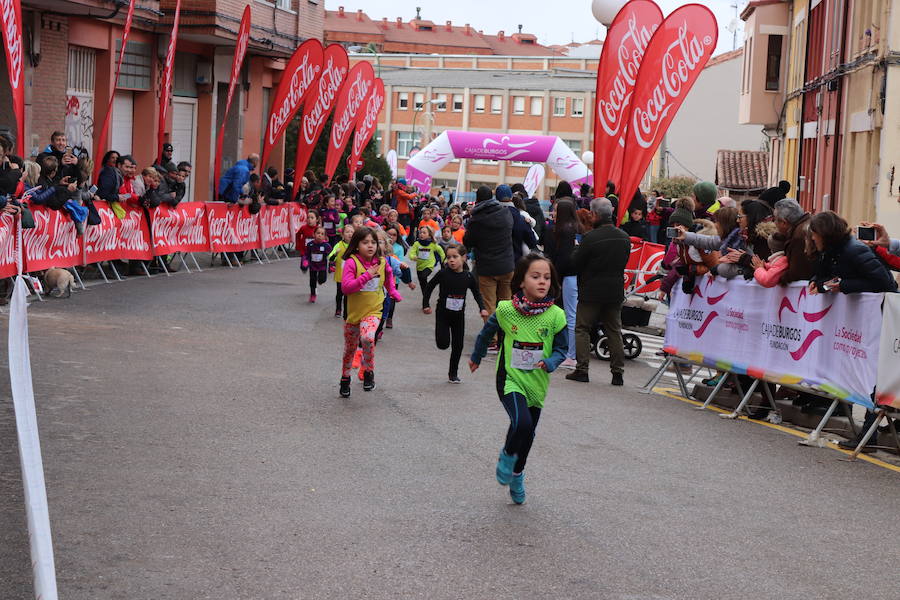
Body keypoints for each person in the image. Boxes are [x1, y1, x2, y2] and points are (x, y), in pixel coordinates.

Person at [469, 253, 568, 504]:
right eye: (535, 276)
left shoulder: (556, 315)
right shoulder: (506, 310)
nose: (542, 281)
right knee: (521, 424)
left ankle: (518, 473)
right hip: (510, 379)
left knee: (529, 433)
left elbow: (561, 349)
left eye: (546, 277)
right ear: (522, 281)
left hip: (537, 381)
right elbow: (486, 333)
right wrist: (477, 356)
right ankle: (507, 455)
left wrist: (552, 362)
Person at [566, 198, 631, 386]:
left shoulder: (591, 238)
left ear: (594, 215)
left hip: (591, 291)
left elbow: (575, 263)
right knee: (614, 331)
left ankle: (582, 369)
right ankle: (617, 373)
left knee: (582, 328)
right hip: (615, 290)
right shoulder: (624, 237)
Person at [338, 226, 403, 397]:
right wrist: (367, 275)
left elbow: (388, 276)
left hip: (374, 310)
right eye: (365, 242)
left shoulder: (381, 262)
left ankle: (368, 371)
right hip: (353, 314)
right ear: (356, 244)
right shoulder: (352, 262)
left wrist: (393, 291)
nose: (370, 246)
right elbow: (346, 288)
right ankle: (345, 379)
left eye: (373, 242)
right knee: (350, 349)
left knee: (367, 338)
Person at [424, 244, 487, 383]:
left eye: (455, 257)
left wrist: (482, 308)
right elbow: (429, 287)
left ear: (464, 258)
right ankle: (441, 340)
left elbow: (477, 293)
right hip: (443, 315)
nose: (451, 260)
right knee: (443, 344)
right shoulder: (443, 274)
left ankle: (453, 373)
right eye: (449, 257)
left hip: (458, 316)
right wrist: (426, 304)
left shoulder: (468, 277)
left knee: (458, 346)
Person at [463, 186, 515, 338]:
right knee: (506, 304)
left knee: (489, 304)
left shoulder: (476, 220)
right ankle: (505, 336)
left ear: (477, 199)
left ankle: (492, 338)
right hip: (507, 266)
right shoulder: (505, 213)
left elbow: (468, 241)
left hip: (487, 268)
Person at [807, 211, 897, 295]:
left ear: (824, 234)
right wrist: (816, 282)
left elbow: (883, 282)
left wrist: (843, 285)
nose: (813, 238)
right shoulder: (830, 251)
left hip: (877, 308)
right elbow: (834, 280)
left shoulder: (856, 250)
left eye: (814, 234)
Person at [541, 198, 580, 369]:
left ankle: (568, 354)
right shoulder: (577, 230)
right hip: (574, 276)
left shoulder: (558, 230)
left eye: (556, 210)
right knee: (571, 314)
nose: (554, 213)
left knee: (560, 314)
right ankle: (570, 353)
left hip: (561, 276)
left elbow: (557, 256)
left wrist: (555, 278)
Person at [772, 198, 816, 284]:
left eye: (775, 220)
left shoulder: (799, 236)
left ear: (784, 223)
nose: (774, 223)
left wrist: (775, 279)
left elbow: (797, 272)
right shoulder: (807, 224)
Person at [496, 184, 538, 262]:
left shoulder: (490, 216)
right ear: (511, 197)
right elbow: (532, 242)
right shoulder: (520, 218)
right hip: (513, 262)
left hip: (492, 263)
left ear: (496, 198)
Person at [408, 226, 446, 307]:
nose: (421, 234)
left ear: (429, 235)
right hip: (419, 267)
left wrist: (444, 260)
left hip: (429, 265)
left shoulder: (432, 244)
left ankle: (429, 289)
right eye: (420, 232)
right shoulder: (416, 244)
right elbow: (411, 253)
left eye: (424, 233)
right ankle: (426, 302)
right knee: (423, 287)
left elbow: (441, 251)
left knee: (423, 276)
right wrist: (413, 257)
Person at [328, 223, 354, 318]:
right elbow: (330, 258)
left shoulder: (356, 246)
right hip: (340, 275)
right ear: (342, 234)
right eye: (347, 232)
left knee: (348, 295)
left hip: (351, 276)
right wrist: (335, 254)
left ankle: (347, 312)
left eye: (352, 232)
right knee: (340, 294)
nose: (350, 234)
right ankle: (338, 309)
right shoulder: (338, 245)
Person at [305, 226, 332, 303]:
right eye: (318, 233)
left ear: (325, 237)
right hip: (313, 266)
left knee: (322, 280)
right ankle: (313, 294)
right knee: (312, 280)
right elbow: (307, 254)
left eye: (322, 234)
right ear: (314, 234)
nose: (320, 235)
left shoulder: (326, 246)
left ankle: (320, 280)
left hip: (322, 266)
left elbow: (331, 255)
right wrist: (305, 262)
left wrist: (332, 264)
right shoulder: (310, 244)